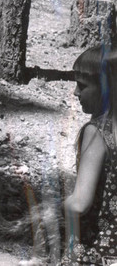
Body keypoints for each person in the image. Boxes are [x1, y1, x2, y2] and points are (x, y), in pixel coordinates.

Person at [61, 45, 117, 265]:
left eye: (82, 85)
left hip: (97, 251)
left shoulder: (97, 132)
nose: (76, 93)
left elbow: (80, 203)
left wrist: (56, 205)